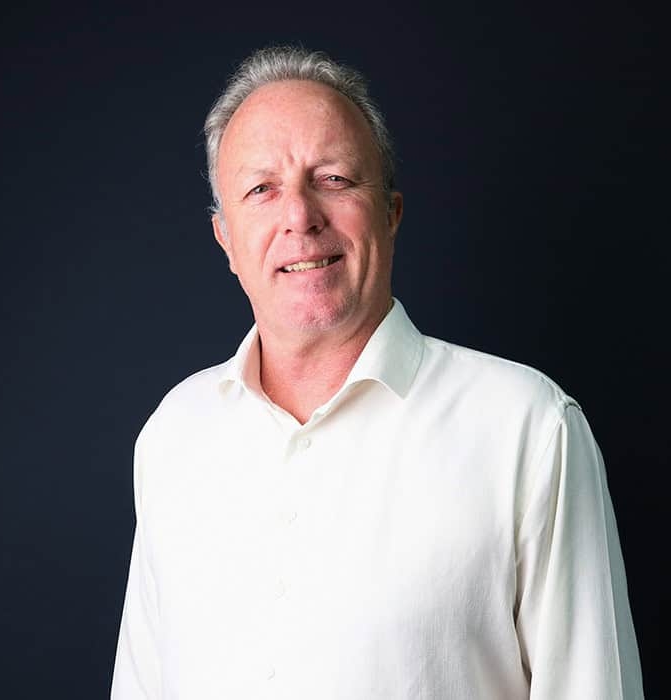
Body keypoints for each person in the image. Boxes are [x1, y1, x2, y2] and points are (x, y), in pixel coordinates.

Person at [111, 46, 644, 699]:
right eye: (262, 189)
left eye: (333, 178)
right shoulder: (173, 434)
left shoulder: (528, 428)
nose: (300, 217)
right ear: (226, 239)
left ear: (390, 213)